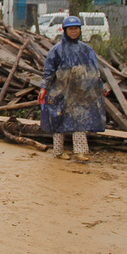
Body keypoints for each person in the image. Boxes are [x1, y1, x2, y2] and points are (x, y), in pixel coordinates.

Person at [38, 15, 106, 161]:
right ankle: (58, 151)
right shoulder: (56, 50)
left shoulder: (86, 50)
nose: (74, 31)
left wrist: (98, 88)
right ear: (65, 30)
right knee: (58, 120)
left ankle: (80, 152)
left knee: (79, 119)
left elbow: (94, 71)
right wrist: (44, 88)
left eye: (76, 29)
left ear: (80, 30)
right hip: (60, 90)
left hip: (79, 91)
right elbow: (49, 71)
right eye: (71, 29)